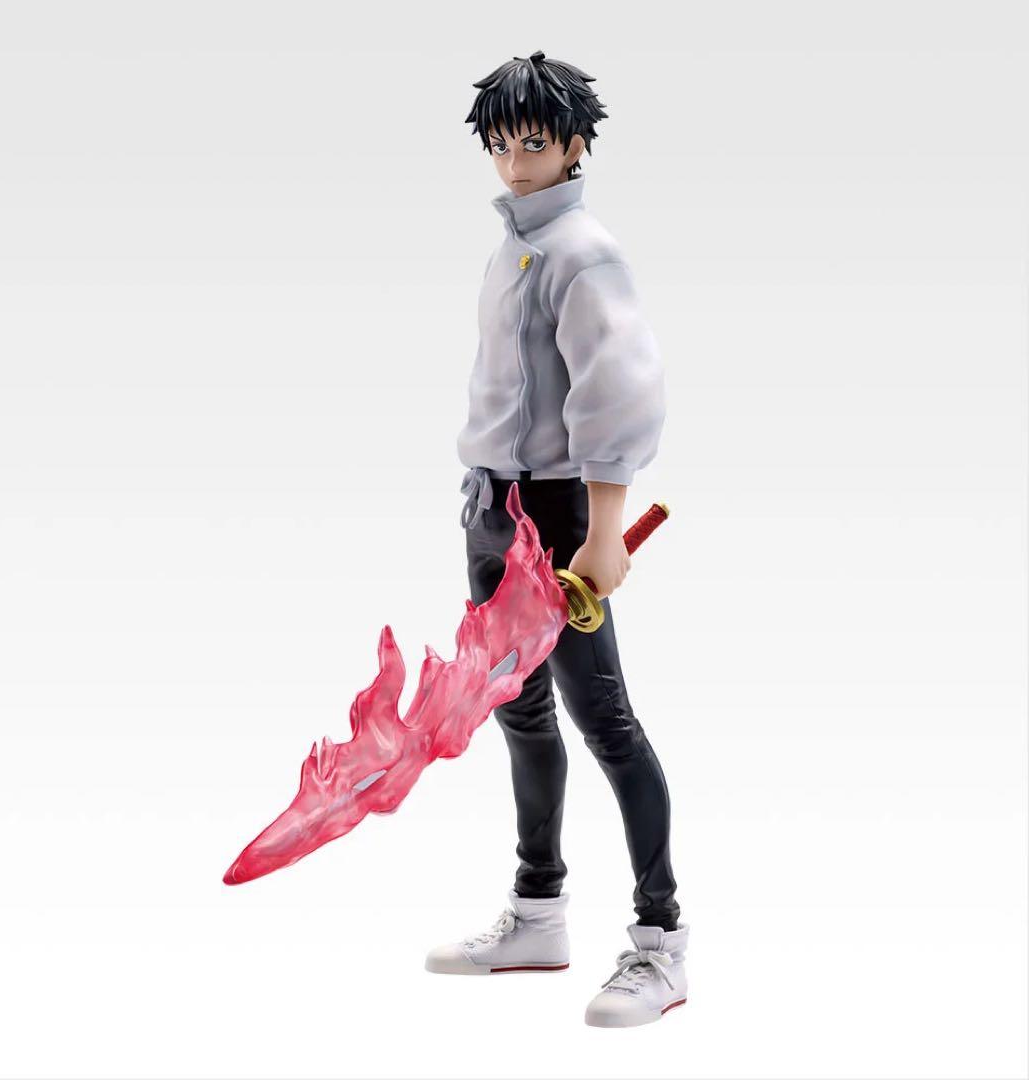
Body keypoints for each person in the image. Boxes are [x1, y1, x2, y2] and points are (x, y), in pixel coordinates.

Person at [423, 50, 690, 1029]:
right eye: (501, 144)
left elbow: (617, 390)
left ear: (575, 144)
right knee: (521, 714)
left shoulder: (584, 253)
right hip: (494, 509)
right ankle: (538, 909)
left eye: (532, 142)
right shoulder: (515, 248)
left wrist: (604, 529)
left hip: (558, 518)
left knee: (605, 721)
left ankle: (661, 940)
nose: (514, 161)